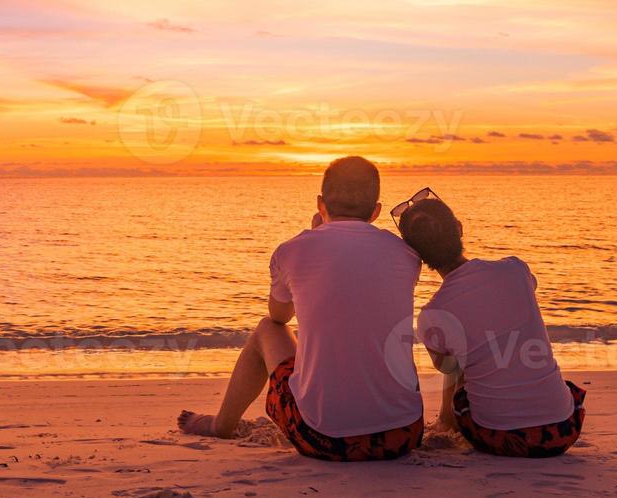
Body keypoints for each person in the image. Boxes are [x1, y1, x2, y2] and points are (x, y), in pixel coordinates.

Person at [177, 156, 425, 461]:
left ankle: (221, 424)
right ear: (375, 212)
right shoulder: (407, 253)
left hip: (322, 438)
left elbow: (279, 316)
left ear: (321, 204)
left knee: (266, 330)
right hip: (403, 434)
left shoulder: (292, 250)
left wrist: (313, 237)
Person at [396, 195, 586, 457]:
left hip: (497, 436)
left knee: (458, 355)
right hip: (562, 430)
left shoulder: (433, 315)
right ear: (460, 228)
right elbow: (531, 288)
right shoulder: (515, 270)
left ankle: (446, 421)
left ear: (417, 256)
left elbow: (448, 367)